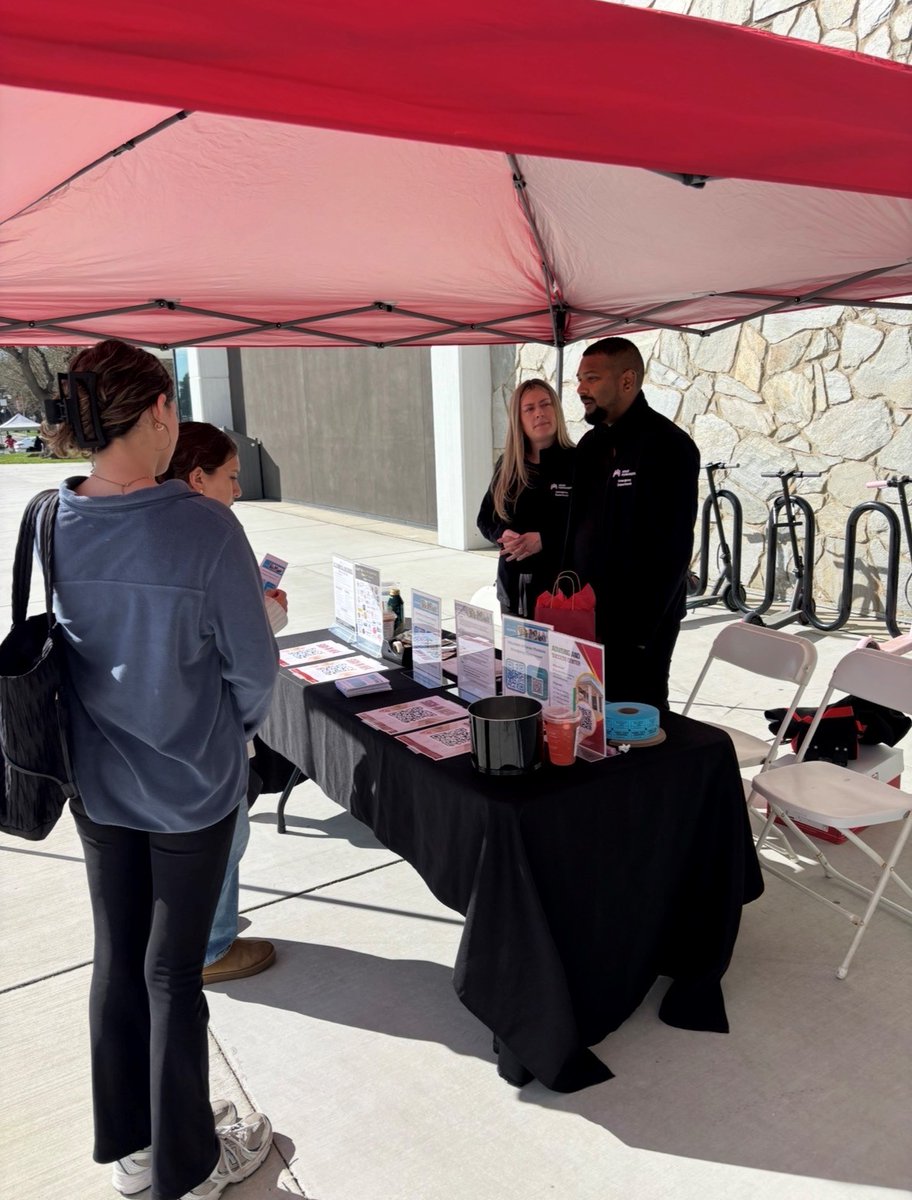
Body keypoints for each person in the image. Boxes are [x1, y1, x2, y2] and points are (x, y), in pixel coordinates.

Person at [42, 340, 278, 1200]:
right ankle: (192, 1167)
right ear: (154, 415)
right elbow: (254, 673)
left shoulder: (52, 516)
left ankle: (138, 1150)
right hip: (190, 787)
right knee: (171, 974)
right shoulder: (203, 527)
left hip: (97, 788)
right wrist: (232, 736)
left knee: (120, 959)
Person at [159, 421, 286, 986]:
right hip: (211, 726)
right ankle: (210, 946)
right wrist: (269, 617)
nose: (237, 489)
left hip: (155, 731)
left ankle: (200, 926)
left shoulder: (145, 529)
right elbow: (250, 659)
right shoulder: (214, 535)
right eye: (230, 477)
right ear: (197, 477)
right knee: (225, 836)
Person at [570, 336, 699, 709]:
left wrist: (643, 631)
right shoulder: (590, 446)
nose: (581, 389)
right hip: (585, 614)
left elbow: (673, 547)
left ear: (627, 381)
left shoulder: (668, 446)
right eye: (579, 378)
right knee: (589, 715)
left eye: (591, 378)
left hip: (640, 626)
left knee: (639, 715)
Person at [476, 378, 576, 617]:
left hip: (562, 594)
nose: (539, 413)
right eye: (529, 409)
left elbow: (591, 527)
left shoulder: (579, 463)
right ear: (518, 419)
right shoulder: (508, 465)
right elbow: (485, 519)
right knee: (518, 655)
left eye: (545, 404)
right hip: (512, 592)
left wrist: (545, 540)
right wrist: (502, 534)